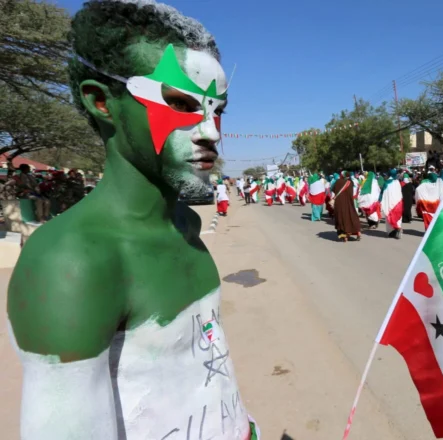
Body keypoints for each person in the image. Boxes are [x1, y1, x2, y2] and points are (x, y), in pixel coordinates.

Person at [8, 1, 260, 438]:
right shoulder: (72, 263)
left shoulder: (186, 225)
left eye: (217, 109)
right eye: (181, 103)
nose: (211, 131)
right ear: (102, 101)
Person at [332, 172, 361, 242]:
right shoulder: (350, 182)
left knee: (342, 218)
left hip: (340, 204)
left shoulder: (338, 182)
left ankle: (345, 236)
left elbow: (333, 189)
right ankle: (358, 233)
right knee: (352, 216)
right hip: (349, 203)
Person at [380, 169, 403, 239]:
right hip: (398, 202)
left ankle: (391, 232)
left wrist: (380, 201)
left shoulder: (386, 183)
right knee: (397, 217)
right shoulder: (397, 182)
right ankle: (398, 229)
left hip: (389, 203)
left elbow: (382, 193)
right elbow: (400, 192)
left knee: (389, 216)